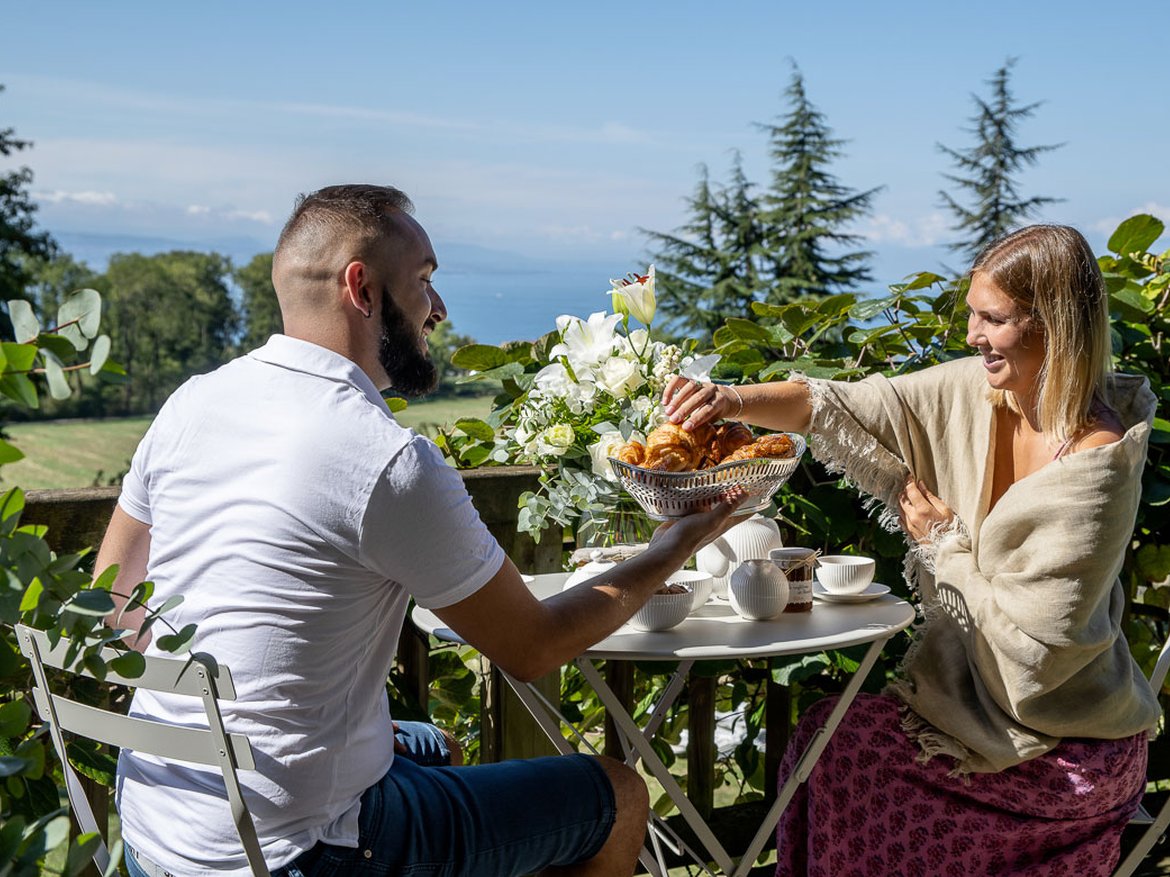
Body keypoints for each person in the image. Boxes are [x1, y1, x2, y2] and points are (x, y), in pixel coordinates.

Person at [96, 184, 743, 877]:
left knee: (435, 746)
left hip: (157, 833)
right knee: (615, 794)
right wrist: (672, 546)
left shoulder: (192, 403)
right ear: (362, 289)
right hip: (300, 853)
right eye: (425, 281)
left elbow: (114, 610)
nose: (439, 309)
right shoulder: (383, 457)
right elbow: (533, 647)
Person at [662, 224, 1161, 876]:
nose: (972, 335)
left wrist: (941, 545)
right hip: (975, 713)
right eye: (972, 314)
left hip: (1066, 747)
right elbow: (844, 402)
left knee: (851, 766)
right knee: (821, 738)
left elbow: (1036, 652)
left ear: (1056, 325)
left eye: (993, 319)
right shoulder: (981, 393)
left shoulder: (1099, 466)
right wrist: (732, 399)